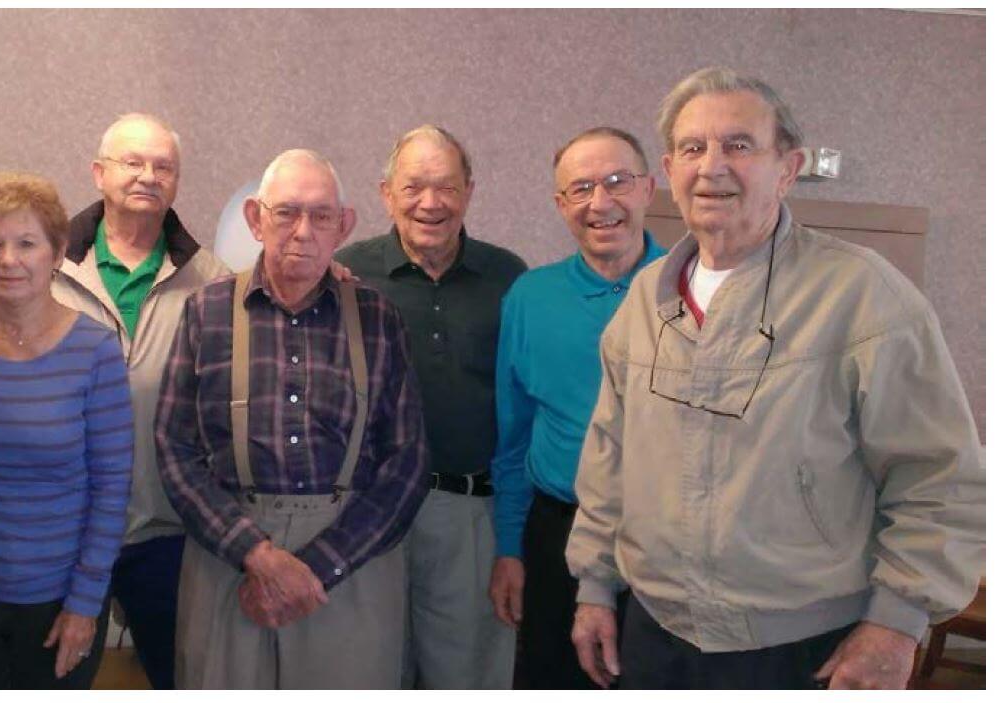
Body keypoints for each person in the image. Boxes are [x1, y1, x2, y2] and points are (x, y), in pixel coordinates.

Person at [565, 66, 986, 689]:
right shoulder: (646, 300)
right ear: (669, 170)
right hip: (655, 636)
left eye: (739, 145)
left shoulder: (864, 296)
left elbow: (940, 479)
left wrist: (896, 623)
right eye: (692, 148)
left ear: (787, 167)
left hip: (806, 646)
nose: (712, 167)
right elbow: (609, 460)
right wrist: (596, 587)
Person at [0, 113, 228, 689]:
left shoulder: (212, 280)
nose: (147, 176)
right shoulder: (54, 264)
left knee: (181, 679)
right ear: (98, 173)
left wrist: (333, 274)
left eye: (162, 166)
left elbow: (267, 308)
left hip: (163, 528)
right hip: (36, 551)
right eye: (131, 162)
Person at [155, 149, 429, 689]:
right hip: (228, 555)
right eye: (286, 213)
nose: (303, 231)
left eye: (321, 215)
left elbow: (408, 462)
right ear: (257, 219)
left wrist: (319, 565)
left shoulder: (378, 318)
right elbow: (173, 449)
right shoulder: (205, 313)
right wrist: (254, 554)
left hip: (352, 562)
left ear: (343, 226)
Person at [0, 172, 134, 688]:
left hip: (59, 602)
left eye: (27, 243)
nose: (8, 259)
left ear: (58, 253)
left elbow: (111, 491)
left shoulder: (96, 350)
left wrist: (85, 604)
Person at [336, 125, 525, 689]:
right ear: (386, 193)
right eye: (414, 186)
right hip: (368, 513)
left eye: (446, 186)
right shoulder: (347, 275)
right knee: (366, 672)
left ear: (469, 192)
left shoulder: (508, 277)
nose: (430, 203)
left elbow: (522, 406)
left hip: (470, 514)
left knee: (468, 678)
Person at [489, 127, 666, 689]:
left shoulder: (695, 288)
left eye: (618, 181)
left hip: (667, 542)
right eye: (582, 187)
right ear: (561, 204)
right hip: (557, 536)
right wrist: (509, 548)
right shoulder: (530, 298)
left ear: (649, 189)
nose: (601, 202)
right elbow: (512, 437)